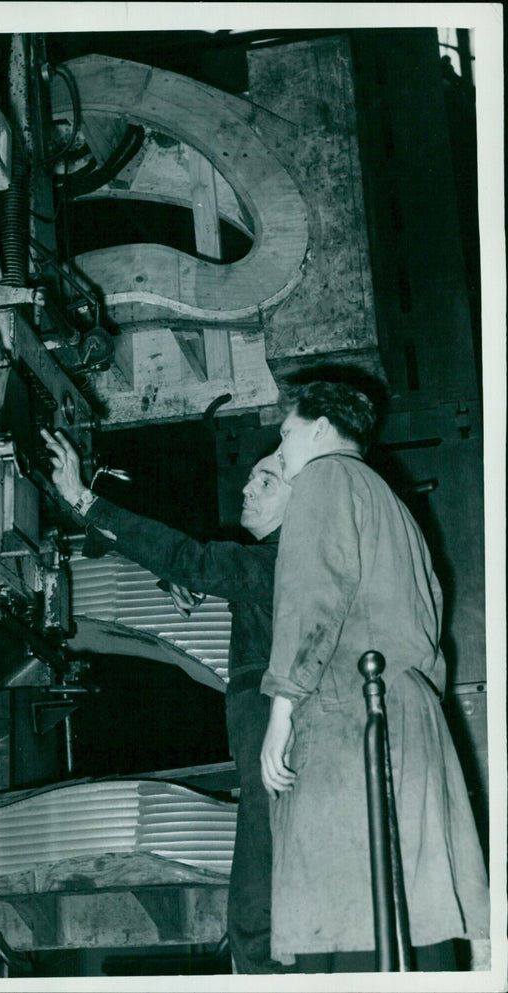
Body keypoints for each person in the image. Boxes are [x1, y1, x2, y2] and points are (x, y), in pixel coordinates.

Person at [41, 426, 292, 974]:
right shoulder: (277, 563)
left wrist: (84, 499)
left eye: (267, 480)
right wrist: (180, 575)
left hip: (271, 769)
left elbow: (194, 557)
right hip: (266, 759)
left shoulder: (282, 561)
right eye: (250, 476)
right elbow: (199, 564)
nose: (248, 488)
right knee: (255, 913)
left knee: (256, 918)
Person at [259, 380, 490, 972]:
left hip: (349, 722)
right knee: (413, 910)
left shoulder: (322, 480)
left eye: (285, 434)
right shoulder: (390, 500)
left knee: (347, 921)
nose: (281, 450)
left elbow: (311, 600)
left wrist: (281, 709)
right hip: (406, 716)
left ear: (317, 428)